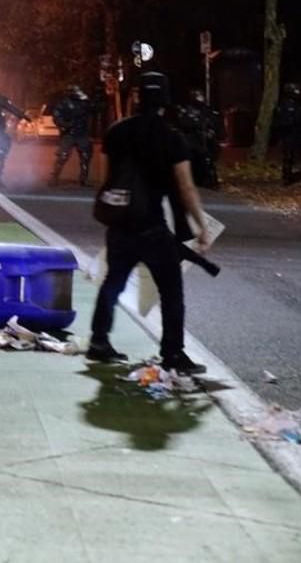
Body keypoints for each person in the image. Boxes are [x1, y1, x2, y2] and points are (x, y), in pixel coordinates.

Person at [87, 71, 212, 375]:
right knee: (171, 292)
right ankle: (172, 353)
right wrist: (201, 226)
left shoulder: (116, 132)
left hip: (120, 225)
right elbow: (185, 187)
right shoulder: (172, 138)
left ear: (137, 97)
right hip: (153, 227)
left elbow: (103, 180)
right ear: (165, 101)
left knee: (113, 283)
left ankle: (99, 341)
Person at [50, 85, 97, 186]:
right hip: (69, 133)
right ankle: (54, 177)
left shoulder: (84, 102)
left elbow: (94, 109)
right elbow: (57, 116)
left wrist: (87, 99)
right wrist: (65, 125)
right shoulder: (64, 103)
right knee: (62, 155)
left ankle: (83, 179)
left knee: (86, 156)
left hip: (82, 133)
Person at [176, 89, 223, 189]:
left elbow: (213, 122)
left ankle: (210, 179)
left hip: (206, 140)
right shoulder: (187, 110)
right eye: (198, 96)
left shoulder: (206, 110)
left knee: (209, 157)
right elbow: (184, 123)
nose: (200, 98)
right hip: (193, 140)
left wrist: (211, 131)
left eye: (201, 96)